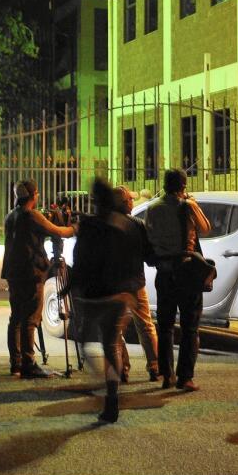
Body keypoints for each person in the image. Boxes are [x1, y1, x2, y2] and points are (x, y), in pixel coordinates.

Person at [71, 178, 156, 423]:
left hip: (95, 295)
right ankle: (112, 394)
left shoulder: (88, 225)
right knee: (111, 346)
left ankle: (104, 382)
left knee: (87, 342)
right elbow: (141, 256)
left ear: (94, 201)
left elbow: (80, 258)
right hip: (121, 295)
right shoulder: (129, 226)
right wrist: (130, 290)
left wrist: (73, 287)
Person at [1, 180, 76, 378]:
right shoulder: (32, 215)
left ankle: (15, 363)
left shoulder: (11, 216)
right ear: (34, 195)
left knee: (16, 317)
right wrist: (75, 229)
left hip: (13, 272)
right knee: (31, 318)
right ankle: (29, 363)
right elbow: (59, 232)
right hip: (30, 272)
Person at [146, 168, 211, 392]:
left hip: (164, 272)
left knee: (164, 326)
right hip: (185, 271)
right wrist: (192, 204)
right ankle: (186, 377)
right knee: (190, 326)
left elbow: (150, 237)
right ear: (183, 186)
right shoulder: (188, 206)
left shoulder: (152, 208)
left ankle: (167, 375)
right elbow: (206, 228)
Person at [114, 185, 160, 383]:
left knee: (115, 329)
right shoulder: (137, 225)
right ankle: (154, 366)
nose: (133, 202)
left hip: (112, 285)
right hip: (134, 283)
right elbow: (150, 256)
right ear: (125, 203)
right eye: (130, 200)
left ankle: (122, 369)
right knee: (145, 326)